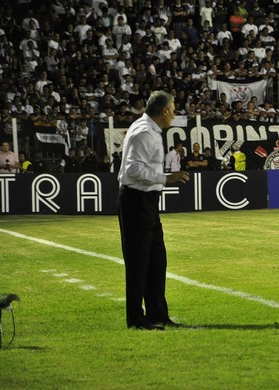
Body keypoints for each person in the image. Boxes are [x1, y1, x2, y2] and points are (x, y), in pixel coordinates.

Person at [117, 90, 189, 330]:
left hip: (146, 201)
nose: (174, 114)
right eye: (174, 109)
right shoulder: (144, 132)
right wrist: (166, 178)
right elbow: (131, 171)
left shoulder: (147, 128)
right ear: (165, 111)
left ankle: (157, 314)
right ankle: (136, 318)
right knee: (138, 262)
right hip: (136, 200)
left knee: (157, 259)